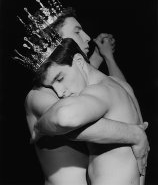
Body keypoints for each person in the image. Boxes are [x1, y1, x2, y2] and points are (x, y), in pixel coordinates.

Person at [15, 0, 149, 185]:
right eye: (77, 32)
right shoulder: (40, 95)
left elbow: (121, 91)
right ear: (58, 42)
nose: (87, 38)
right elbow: (64, 124)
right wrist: (135, 134)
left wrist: (106, 57)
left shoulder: (75, 84)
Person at [32, 38, 149, 185]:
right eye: (52, 87)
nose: (60, 92)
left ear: (79, 61)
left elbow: (64, 117)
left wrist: (39, 127)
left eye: (60, 79)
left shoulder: (99, 90)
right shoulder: (121, 85)